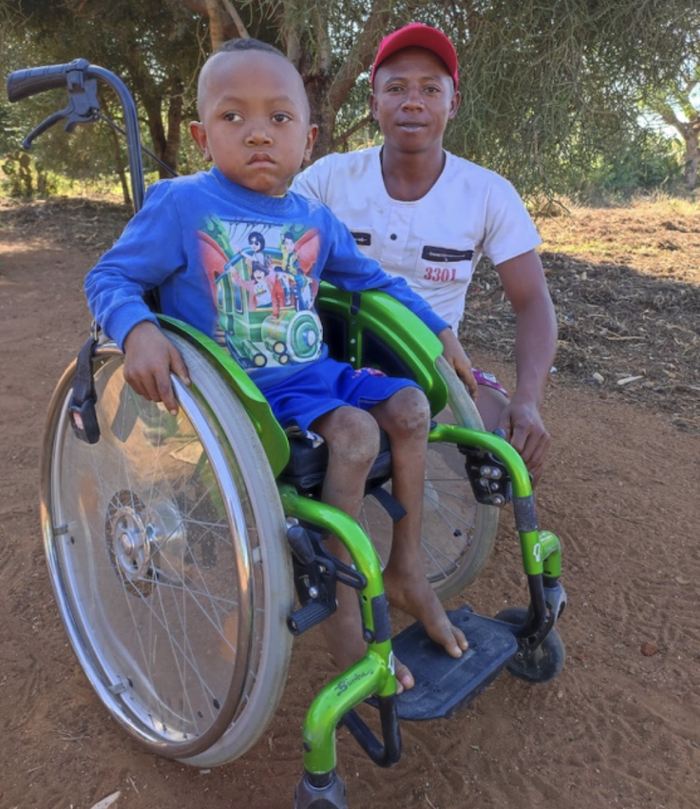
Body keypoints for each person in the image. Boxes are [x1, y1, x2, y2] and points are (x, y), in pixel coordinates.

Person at [85, 37, 471, 692]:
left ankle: (405, 569)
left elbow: (374, 282)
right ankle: (339, 604)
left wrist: (441, 332)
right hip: (242, 394)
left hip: (310, 375)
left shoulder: (315, 216)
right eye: (233, 116)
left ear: (308, 139)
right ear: (202, 136)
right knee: (357, 434)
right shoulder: (182, 204)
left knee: (410, 406)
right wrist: (137, 327)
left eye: (279, 117)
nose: (258, 133)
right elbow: (110, 277)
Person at [292, 23, 557, 481]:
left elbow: (532, 301)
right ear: (374, 104)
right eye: (396, 88)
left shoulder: (487, 193)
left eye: (431, 89)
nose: (412, 102)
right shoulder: (325, 180)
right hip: (329, 364)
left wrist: (528, 400)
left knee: (508, 455)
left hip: (432, 370)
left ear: (453, 104)